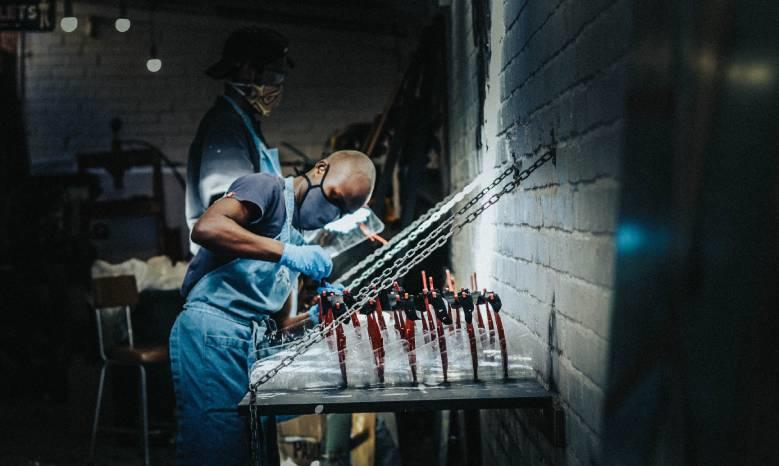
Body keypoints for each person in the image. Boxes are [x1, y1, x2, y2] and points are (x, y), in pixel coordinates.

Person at [170, 150, 376, 465]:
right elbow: (206, 228)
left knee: (255, 451)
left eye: (342, 212)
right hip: (211, 336)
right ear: (320, 169)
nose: (331, 214)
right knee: (218, 449)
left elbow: (278, 327)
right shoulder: (266, 189)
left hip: (250, 345)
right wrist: (285, 252)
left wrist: (314, 319)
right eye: (335, 198)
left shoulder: (297, 240)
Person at [186, 26, 293, 255]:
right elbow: (228, 218)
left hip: (247, 268)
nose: (278, 87)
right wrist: (286, 251)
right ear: (247, 71)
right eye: (274, 76)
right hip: (229, 274)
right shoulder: (225, 128)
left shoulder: (244, 124)